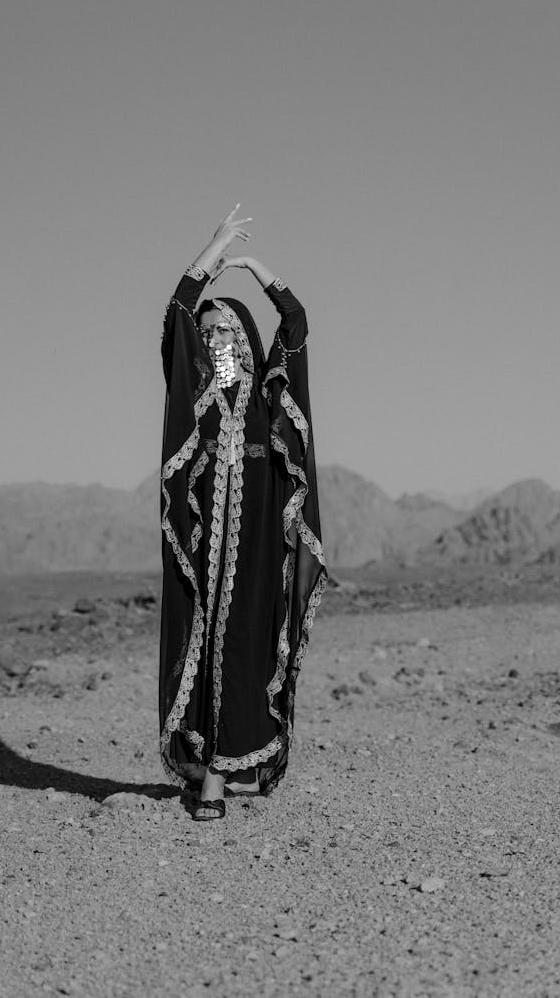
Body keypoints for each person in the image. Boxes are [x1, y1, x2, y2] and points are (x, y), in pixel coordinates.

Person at [159, 206, 326, 820]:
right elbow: (177, 312)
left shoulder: (266, 395)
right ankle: (208, 777)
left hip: (256, 538)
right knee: (206, 641)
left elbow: (297, 321)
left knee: (249, 642)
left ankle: (235, 764)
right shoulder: (196, 396)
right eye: (208, 335)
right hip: (206, 537)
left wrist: (256, 269)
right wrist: (213, 246)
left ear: (245, 338)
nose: (214, 341)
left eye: (226, 332)